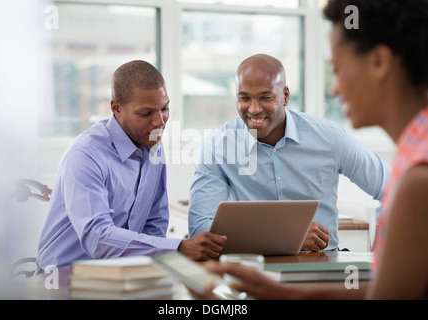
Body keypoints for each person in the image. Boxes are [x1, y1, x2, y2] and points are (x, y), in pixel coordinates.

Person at [192, 0, 428, 300]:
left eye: (338, 70)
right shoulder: (415, 153)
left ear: (379, 63)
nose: (335, 89)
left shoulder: (418, 177)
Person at [188, 52, 390, 252]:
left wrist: (380, 254)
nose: (254, 109)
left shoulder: (330, 138)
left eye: (265, 97)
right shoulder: (217, 147)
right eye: (244, 98)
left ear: (285, 96)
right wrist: (285, 236)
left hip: (321, 267)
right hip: (252, 267)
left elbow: (393, 189)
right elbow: (200, 230)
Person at [36, 60, 226, 270]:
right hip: (64, 278)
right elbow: (97, 238)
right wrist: (178, 248)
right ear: (116, 108)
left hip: (124, 275)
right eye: (146, 113)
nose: (159, 122)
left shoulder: (153, 145)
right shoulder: (85, 155)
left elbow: (155, 220)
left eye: (164, 108)